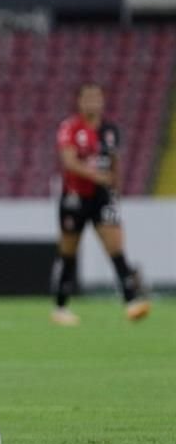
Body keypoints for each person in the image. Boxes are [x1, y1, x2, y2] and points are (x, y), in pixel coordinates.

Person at [50, 82, 150, 326]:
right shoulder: (70, 128)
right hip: (75, 196)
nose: (93, 102)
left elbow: (115, 164)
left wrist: (116, 191)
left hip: (102, 197)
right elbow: (69, 162)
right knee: (69, 250)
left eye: (97, 98)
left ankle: (132, 302)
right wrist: (97, 176)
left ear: (103, 101)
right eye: (88, 98)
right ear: (80, 101)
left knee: (115, 247)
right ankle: (61, 307)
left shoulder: (110, 130)